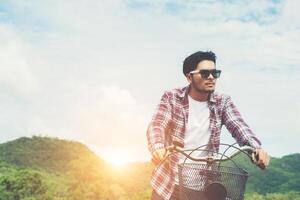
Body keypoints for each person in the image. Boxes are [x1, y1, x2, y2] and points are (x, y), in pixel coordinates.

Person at [146, 51, 270, 200]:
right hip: (169, 183)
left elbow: (239, 126)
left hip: (204, 186)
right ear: (189, 76)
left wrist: (256, 148)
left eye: (215, 73)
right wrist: (158, 147)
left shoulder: (222, 102)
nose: (211, 77)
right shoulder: (172, 97)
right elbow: (157, 124)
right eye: (205, 73)